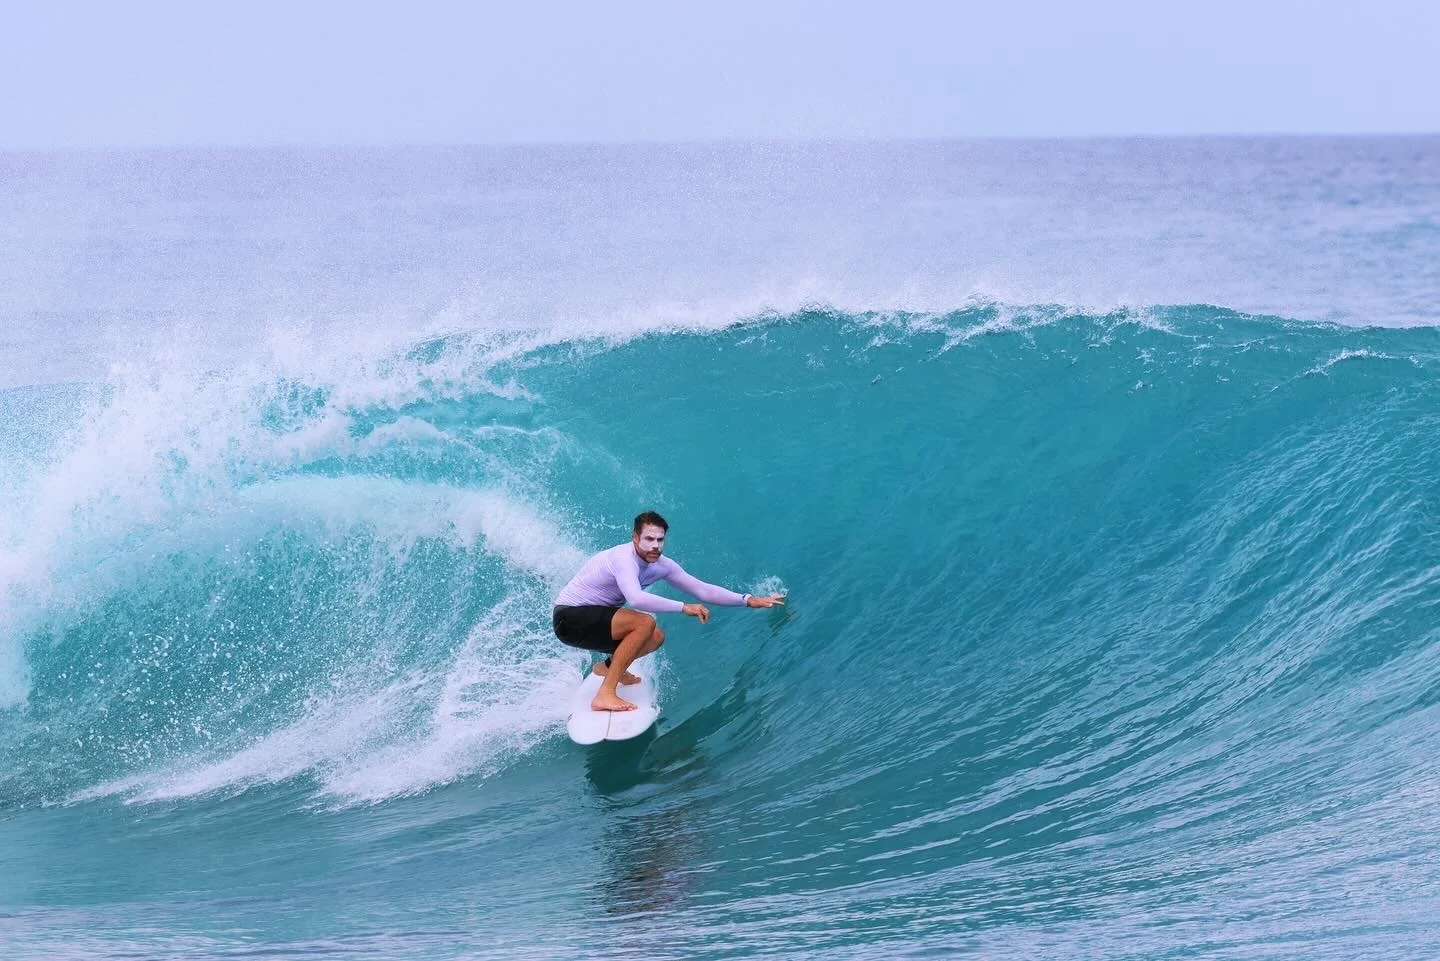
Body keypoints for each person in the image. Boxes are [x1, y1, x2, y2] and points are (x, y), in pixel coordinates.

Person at [552, 511, 785, 712]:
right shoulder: (623, 559)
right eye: (649, 539)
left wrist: (747, 599)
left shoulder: (662, 565)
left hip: (596, 621)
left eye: (660, 540)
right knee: (644, 623)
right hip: (569, 618)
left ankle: (608, 668)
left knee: (655, 638)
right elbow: (636, 598)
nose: (655, 545)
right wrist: (683, 607)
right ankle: (605, 694)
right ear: (635, 538)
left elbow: (702, 590)